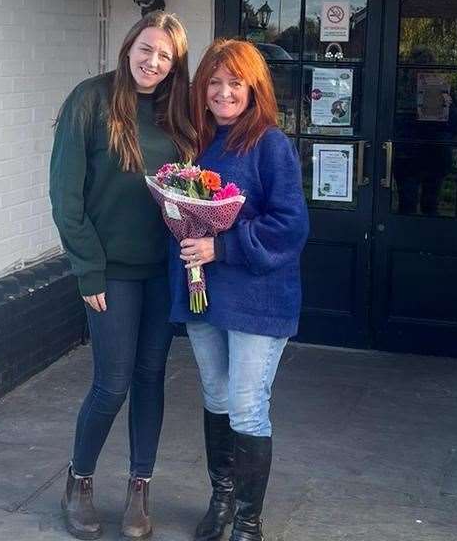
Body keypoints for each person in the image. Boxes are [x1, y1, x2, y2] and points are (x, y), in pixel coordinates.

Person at [49, 11, 196, 540]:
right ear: (129, 44)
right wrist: (88, 270)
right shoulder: (91, 100)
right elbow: (65, 198)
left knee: (151, 378)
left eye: (165, 56)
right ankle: (79, 482)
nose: (152, 62)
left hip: (163, 272)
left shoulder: (181, 113)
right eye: (146, 48)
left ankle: (140, 489)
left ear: (175, 65)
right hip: (109, 272)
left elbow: (194, 189)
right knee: (111, 383)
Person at [169, 39, 309, 541]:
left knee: (248, 402)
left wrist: (221, 248)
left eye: (235, 83)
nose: (223, 92)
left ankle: (250, 523)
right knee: (216, 394)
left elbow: (291, 226)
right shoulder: (196, 143)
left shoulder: (269, 144)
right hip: (202, 293)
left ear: (254, 88)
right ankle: (222, 501)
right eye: (214, 82)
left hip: (257, 297)